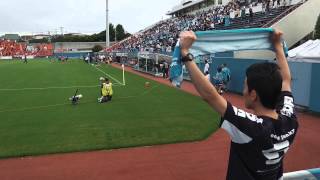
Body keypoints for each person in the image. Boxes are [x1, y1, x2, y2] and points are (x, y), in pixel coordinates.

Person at [178, 30, 298, 180]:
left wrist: (185, 52)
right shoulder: (290, 120)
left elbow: (211, 96)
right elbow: (286, 81)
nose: (244, 90)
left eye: (245, 86)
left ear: (253, 95)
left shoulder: (251, 128)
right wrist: (278, 46)